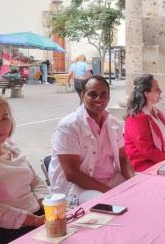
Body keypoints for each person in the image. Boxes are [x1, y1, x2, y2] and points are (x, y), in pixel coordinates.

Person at [0, 91, 49, 244]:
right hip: (8, 230)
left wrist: (47, 204)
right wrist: (34, 221)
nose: (0, 127)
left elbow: (35, 180)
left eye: (4, 118)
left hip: (38, 216)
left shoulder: (11, 147)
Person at [49, 75, 135, 203]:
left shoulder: (113, 123)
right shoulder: (69, 126)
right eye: (92, 94)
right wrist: (108, 192)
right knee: (111, 203)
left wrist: (133, 182)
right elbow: (72, 173)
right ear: (82, 95)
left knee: (143, 193)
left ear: (109, 97)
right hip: (79, 188)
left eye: (103, 94)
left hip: (110, 180)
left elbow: (123, 159)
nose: (98, 98)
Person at [124, 74, 165, 172]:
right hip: (143, 167)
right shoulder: (136, 118)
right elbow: (148, 151)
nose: (160, 91)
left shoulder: (157, 113)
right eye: (157, 89)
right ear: (146, 93)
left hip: (159, 162)